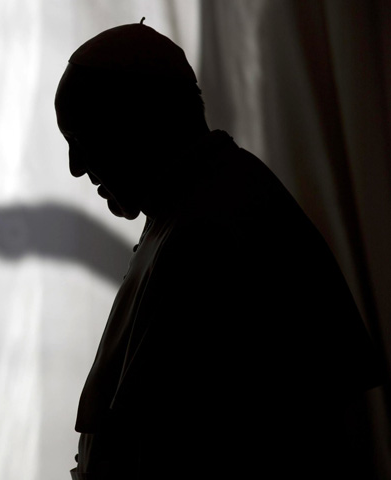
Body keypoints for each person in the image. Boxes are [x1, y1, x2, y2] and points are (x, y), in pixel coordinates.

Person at [55, 21, 386, 479]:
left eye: (83, 135)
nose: (75, 168)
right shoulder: (199, 201)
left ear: (138, 121)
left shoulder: (206, 232)